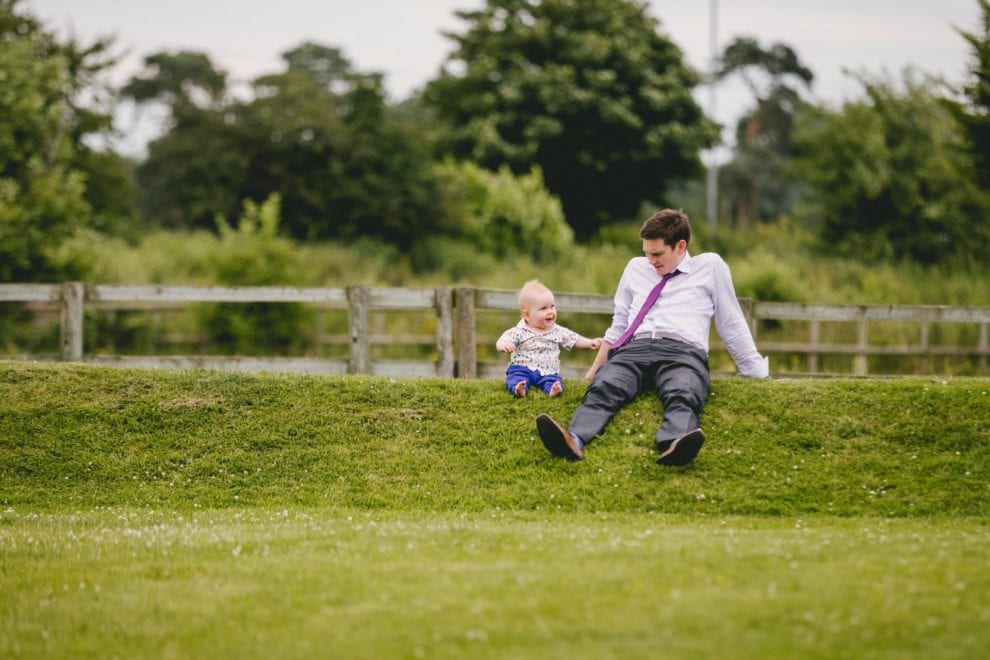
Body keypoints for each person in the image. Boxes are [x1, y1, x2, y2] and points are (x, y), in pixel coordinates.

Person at [536, 209, 769, 466]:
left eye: (657, 254)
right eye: (646, 252)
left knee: (684, 391)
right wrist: (591, 374)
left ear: (681, 246)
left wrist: (756, 372)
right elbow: (619, 326)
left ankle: (676, 444)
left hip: (682, 352)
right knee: (605, 387)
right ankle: (574, 440)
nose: (650, 260)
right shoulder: (636, 268)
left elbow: (731, 322)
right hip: (634, 349)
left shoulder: (710, 267)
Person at [496, 279, 602, 398]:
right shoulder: (520, 331)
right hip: (523, 368)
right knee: (516, 377)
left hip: (548, 370)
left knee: (552, 379)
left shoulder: (556, 330)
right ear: (527, 315)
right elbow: (502, 341)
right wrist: (504, 346)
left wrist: (590, 343)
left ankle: (553, 389)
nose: (550, 311)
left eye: (552, 306)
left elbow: (573, 339)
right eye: (543, 308)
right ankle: (519, 388)